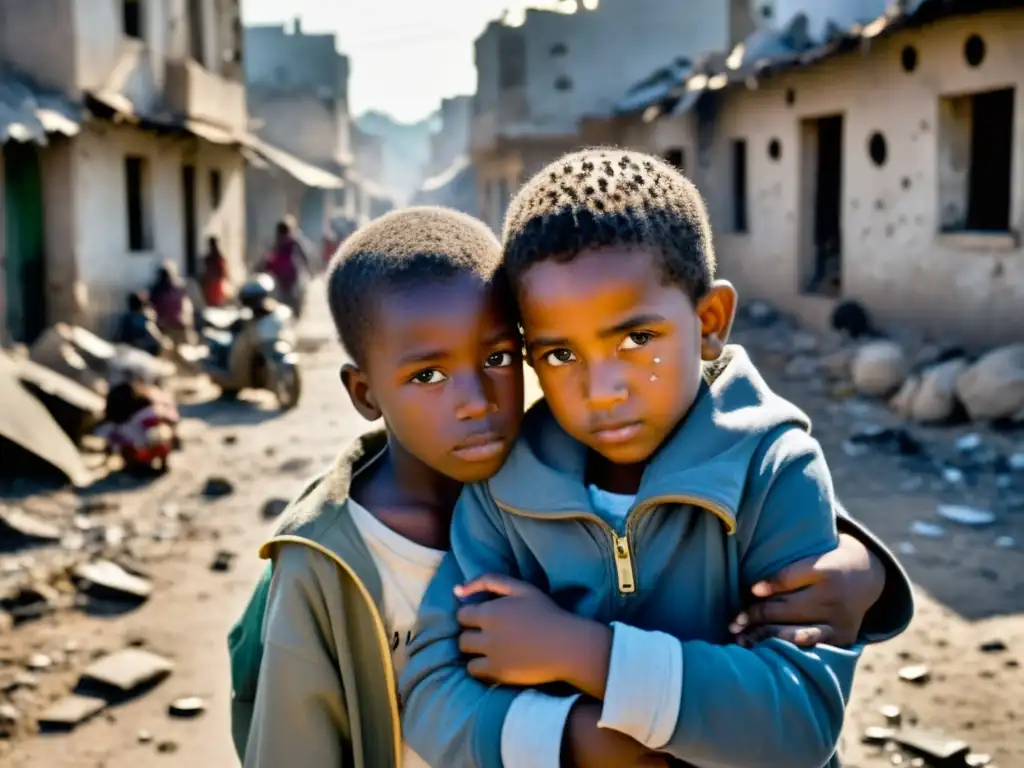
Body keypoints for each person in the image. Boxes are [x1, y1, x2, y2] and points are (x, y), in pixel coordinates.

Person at [228, 208, 906, 767]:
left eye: (497, 359)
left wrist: (867, 567)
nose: (473, 401)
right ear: (363, 392)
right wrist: (575, 738)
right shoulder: (340, 557)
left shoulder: (534, 467)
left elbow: (729, 466)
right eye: (428, 376)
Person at [399, 150, 914, 768]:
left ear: (710, 321)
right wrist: (574, 740)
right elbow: (431, 690)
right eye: (560, 356)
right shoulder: (503, 487)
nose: (603, 388)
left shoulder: (772, 470)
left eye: (636, 339)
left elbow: (800, 721)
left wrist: (585, 654)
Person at [263, 219, 310, 311]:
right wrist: (306, 267)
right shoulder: (293, 241)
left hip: (278, 272)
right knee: (293, 293)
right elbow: (303, 256)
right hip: (291, 272)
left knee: (280, 294)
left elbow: (268, 257)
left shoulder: (276, 242)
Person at [149, 261, 195, 348]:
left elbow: (151, 310)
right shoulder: (178, 289)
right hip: (178, 325)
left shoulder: (156, 290)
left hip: (164, 327)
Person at [116, 291, 167, 358]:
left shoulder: (126, 317)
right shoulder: (144, 319)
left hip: (129, 348)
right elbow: (157, 338)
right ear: (142, 305)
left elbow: (120, 336)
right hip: (141, 350)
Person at [202, 236, 229, 308]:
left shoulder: (213, 256)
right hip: (214, 281)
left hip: (213, 281)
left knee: (213, 301)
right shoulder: (216, 255)